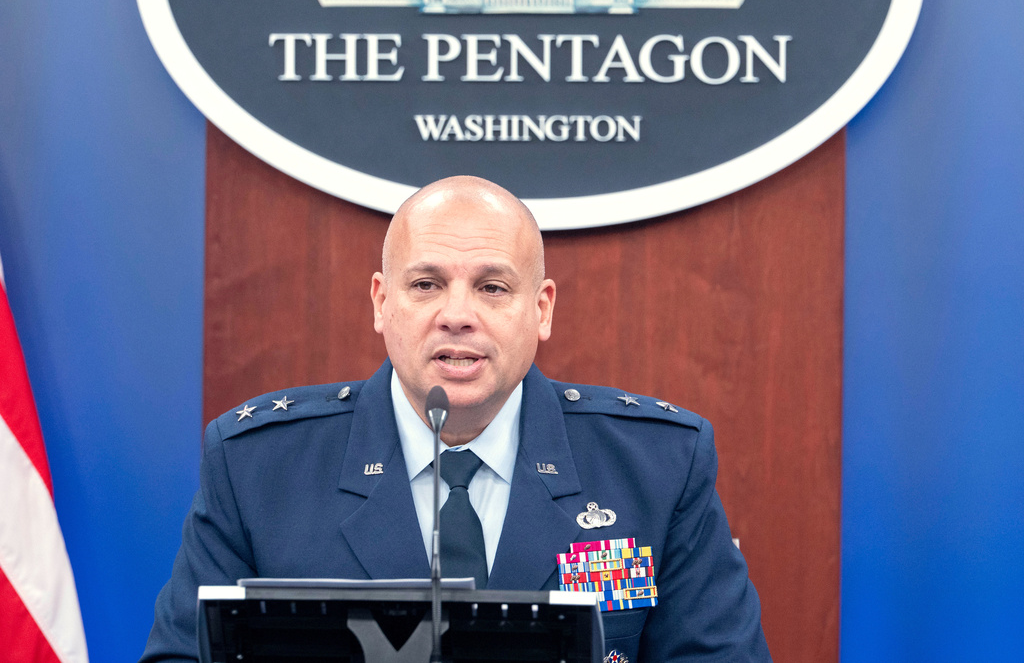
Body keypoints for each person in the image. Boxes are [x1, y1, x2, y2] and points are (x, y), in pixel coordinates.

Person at [141, 176, 770, 662]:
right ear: (381, 303)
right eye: (426, 285)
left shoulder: (658, 467)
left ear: (542, 309)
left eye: (493, 287)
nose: (457, 315)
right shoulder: (258, 466)